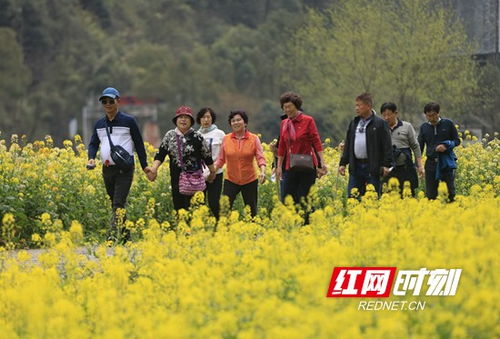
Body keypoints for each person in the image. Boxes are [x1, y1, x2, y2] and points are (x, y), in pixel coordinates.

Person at [87, 87, 151, 241]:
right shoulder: (99, 124)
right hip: (107, 169)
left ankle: (111, 237)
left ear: (118, 101)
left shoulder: (129, 121)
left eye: (111, 101)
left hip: (125, 169)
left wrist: (145, 166)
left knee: (118, 202)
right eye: (104, 101)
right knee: (116, 204)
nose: (107, 104)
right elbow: (93, 143)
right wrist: (91, 157)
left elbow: (139, 144)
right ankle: (126, 237)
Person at [148, 106, 216, 211]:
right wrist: (154, 169)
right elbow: (160, 154)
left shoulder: (197, 136)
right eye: (180, 117)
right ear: (176, 120)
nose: (183, 120)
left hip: (195, 181)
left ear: (191, 121)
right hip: (177, 181)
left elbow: (207, 156)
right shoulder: (169, 136)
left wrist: (212, 172)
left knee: (196, 211)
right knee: (180, 211)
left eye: (186, 117)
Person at [276, 92, 327, 207]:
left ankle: (307, 223)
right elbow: (282, 146)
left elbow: (316, 142)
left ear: (296, 106)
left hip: (307, 165)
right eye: (284, 107)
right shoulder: (284, 123)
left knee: (305, 199)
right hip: (289, 166)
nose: (287, 110)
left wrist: (322, 162)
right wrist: (279, 166)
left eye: (289, 106)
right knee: (287, 199)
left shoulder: (308, 120)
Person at [338, 93, 393, 198]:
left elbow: (387, 146)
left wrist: (387, 165)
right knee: (353, 197)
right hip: (356, 166)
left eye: (359, 105)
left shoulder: (380, 123)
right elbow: (348, 143)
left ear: (368, 106)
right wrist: (343, 163)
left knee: (372, 198)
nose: (356, 108)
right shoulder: (354, 122)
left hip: (372, 167)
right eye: (356, 105)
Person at [213, 110, 266, 218]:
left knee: (251, 210)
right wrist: (212, 170)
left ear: (245, 123)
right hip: (231, 179)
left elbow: (260, 158)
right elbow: (221, 159)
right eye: (233, 121)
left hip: (249, 179)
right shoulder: (226, 139)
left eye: (238, 120)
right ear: (230, 124)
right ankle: (223, 232)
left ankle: (253, 232)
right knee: (224, 208)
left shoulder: (254, 139)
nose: (236, 123)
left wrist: (263, 172)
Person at [418, 102, 460, 202]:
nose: (431, 118)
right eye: (428, 116)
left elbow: (457, 141)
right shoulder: (424, 127)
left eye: (433, 115)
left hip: (445, 162)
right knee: (431, 194)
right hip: (431, 162)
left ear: (438, 113)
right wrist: (418, 164)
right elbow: (420, 146)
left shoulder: (448, 124)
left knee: (450, 192)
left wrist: (446, 146)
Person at [381, 102, 424, 196]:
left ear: (396, 113)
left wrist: (420, 166)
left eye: (389, 115)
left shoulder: (406, 126)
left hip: (405, 168)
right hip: (388, 170)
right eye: (384, 115)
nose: (386, 118)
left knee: (407, 195)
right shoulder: (380, 128)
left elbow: (415, 146)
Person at [196, 107, 225, 219]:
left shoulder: (220, 134)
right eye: (203, 117)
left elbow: (223, 155)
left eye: (208, 117)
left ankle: (221, 224)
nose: (206, 120)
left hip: (216, 173)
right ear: (199, 119)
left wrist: (213, 170)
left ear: (212, 119)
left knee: (214, 203)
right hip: (199, 175)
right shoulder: (196, 134)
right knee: (199, 204)